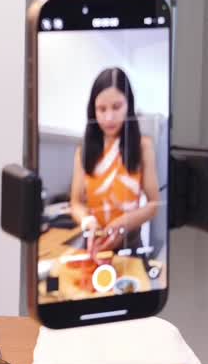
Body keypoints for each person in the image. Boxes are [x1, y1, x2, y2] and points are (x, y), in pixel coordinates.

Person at [68, 67, 159, 253]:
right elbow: (75, 203)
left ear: (129, 106)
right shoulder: (82, 151)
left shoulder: (143, 146)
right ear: (93, 111)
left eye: (117, 107)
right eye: (101, 109)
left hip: (130, 245)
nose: (109, 117)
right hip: (95, 244)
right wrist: (88, 221)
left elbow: (153, 204)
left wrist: (125, 222)